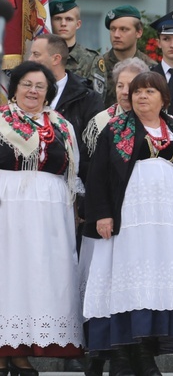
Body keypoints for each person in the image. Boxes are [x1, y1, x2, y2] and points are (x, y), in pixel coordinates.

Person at [83, 72, 173, 376]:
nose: (142, 96)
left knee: (157, 281)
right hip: (129, 217)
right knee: (126, 279)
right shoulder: (116, 130)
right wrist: (102, 214)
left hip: (166, 221)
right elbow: (99, 174)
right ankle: (122, 356)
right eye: (137, 91)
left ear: (164, 97)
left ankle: (144, 353)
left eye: (149, 91)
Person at [0, 61, 84, 376]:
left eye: (40, 86)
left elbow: (72, 171)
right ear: (15, 87)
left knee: (36, 276)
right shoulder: (1, 121)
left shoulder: (61, 125)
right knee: (7, 275)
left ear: (48, 92)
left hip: (50, 211)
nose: (33, 91)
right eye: (27, 84)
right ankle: (2, 350)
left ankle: (21, 352)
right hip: (8, 206)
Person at [78, 57, 149, 376]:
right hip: (105, 220)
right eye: (120, 85)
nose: (124, 91)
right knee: (102, 287)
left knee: (132, 288)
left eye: (131, 86)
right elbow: (90, 172)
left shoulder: (156, 124)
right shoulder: (100, 123)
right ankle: (97, 354)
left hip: (139, 222)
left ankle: (130, 353)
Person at [27, 33, 103, 180]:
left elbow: (92, 148)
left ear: (56, 59)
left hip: (70, 183)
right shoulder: (23, 93)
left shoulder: (87, 98)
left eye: (36, 54)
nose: (30, 60)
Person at [49, 0, 107, 96]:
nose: (63, 23)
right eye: (58, 19)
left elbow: (97, 100)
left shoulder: (92, 60)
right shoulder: (43, 57)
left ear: (78, 24)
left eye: (69, 19)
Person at [102, 5, 156, 107]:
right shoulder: (98, 66)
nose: (116, 35)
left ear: (139, 32)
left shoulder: (151, 67)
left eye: (124, 29)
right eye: (113, 29)